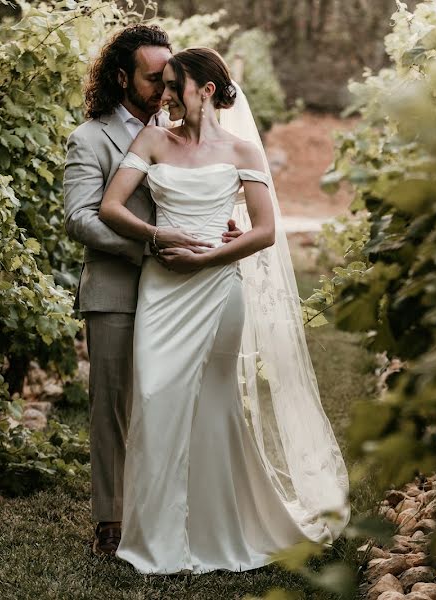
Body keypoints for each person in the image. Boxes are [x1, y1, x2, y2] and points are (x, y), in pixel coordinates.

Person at [98, 47, 349, 574]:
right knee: (154, 396)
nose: (163, 96)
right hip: (163, 290)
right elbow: (111, 207)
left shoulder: (242, 152)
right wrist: (156, 233)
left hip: (217, 289)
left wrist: (209, 257)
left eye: (173, 86)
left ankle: (215, 531)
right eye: (162, 85)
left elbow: (264, 231)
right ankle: (156, 539)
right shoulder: (152, 140)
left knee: (215, 407)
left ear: (205, 90)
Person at [63, 25, 241, 556]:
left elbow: (201, 196)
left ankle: (171, 511)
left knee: (174, 401)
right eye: (153, 78)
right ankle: (112, 522)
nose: (164, 88)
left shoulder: (181, 130)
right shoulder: (89, 138)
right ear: (122, 77)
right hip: (119, 288)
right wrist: (147, 248)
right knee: (114, 408)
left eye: (169, 78)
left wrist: (219, 232)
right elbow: (79, 219)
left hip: (185, 289)